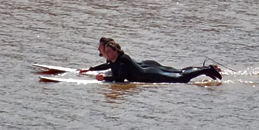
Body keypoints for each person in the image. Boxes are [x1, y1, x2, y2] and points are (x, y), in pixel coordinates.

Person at [94, 39, 222, 83]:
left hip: (151, 74)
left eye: (109, 51)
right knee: (180, 73)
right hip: (148, 73)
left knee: (181, 78)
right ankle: (205, 70)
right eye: (106, 52)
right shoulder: (114, 61)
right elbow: (116, 76)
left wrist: (104, 78)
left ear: (116, 51)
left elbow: (120, 79)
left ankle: (207, 69)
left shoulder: (123, 60)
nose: (107, 54)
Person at [79, 37, 175, 73]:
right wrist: (90, 69)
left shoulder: (117, 59)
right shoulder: (112, 58)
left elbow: (108, 67)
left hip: (147, 66)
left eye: (100, 47)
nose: (98, 49)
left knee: (169, 71)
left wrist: (91, 70)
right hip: (145, 67)